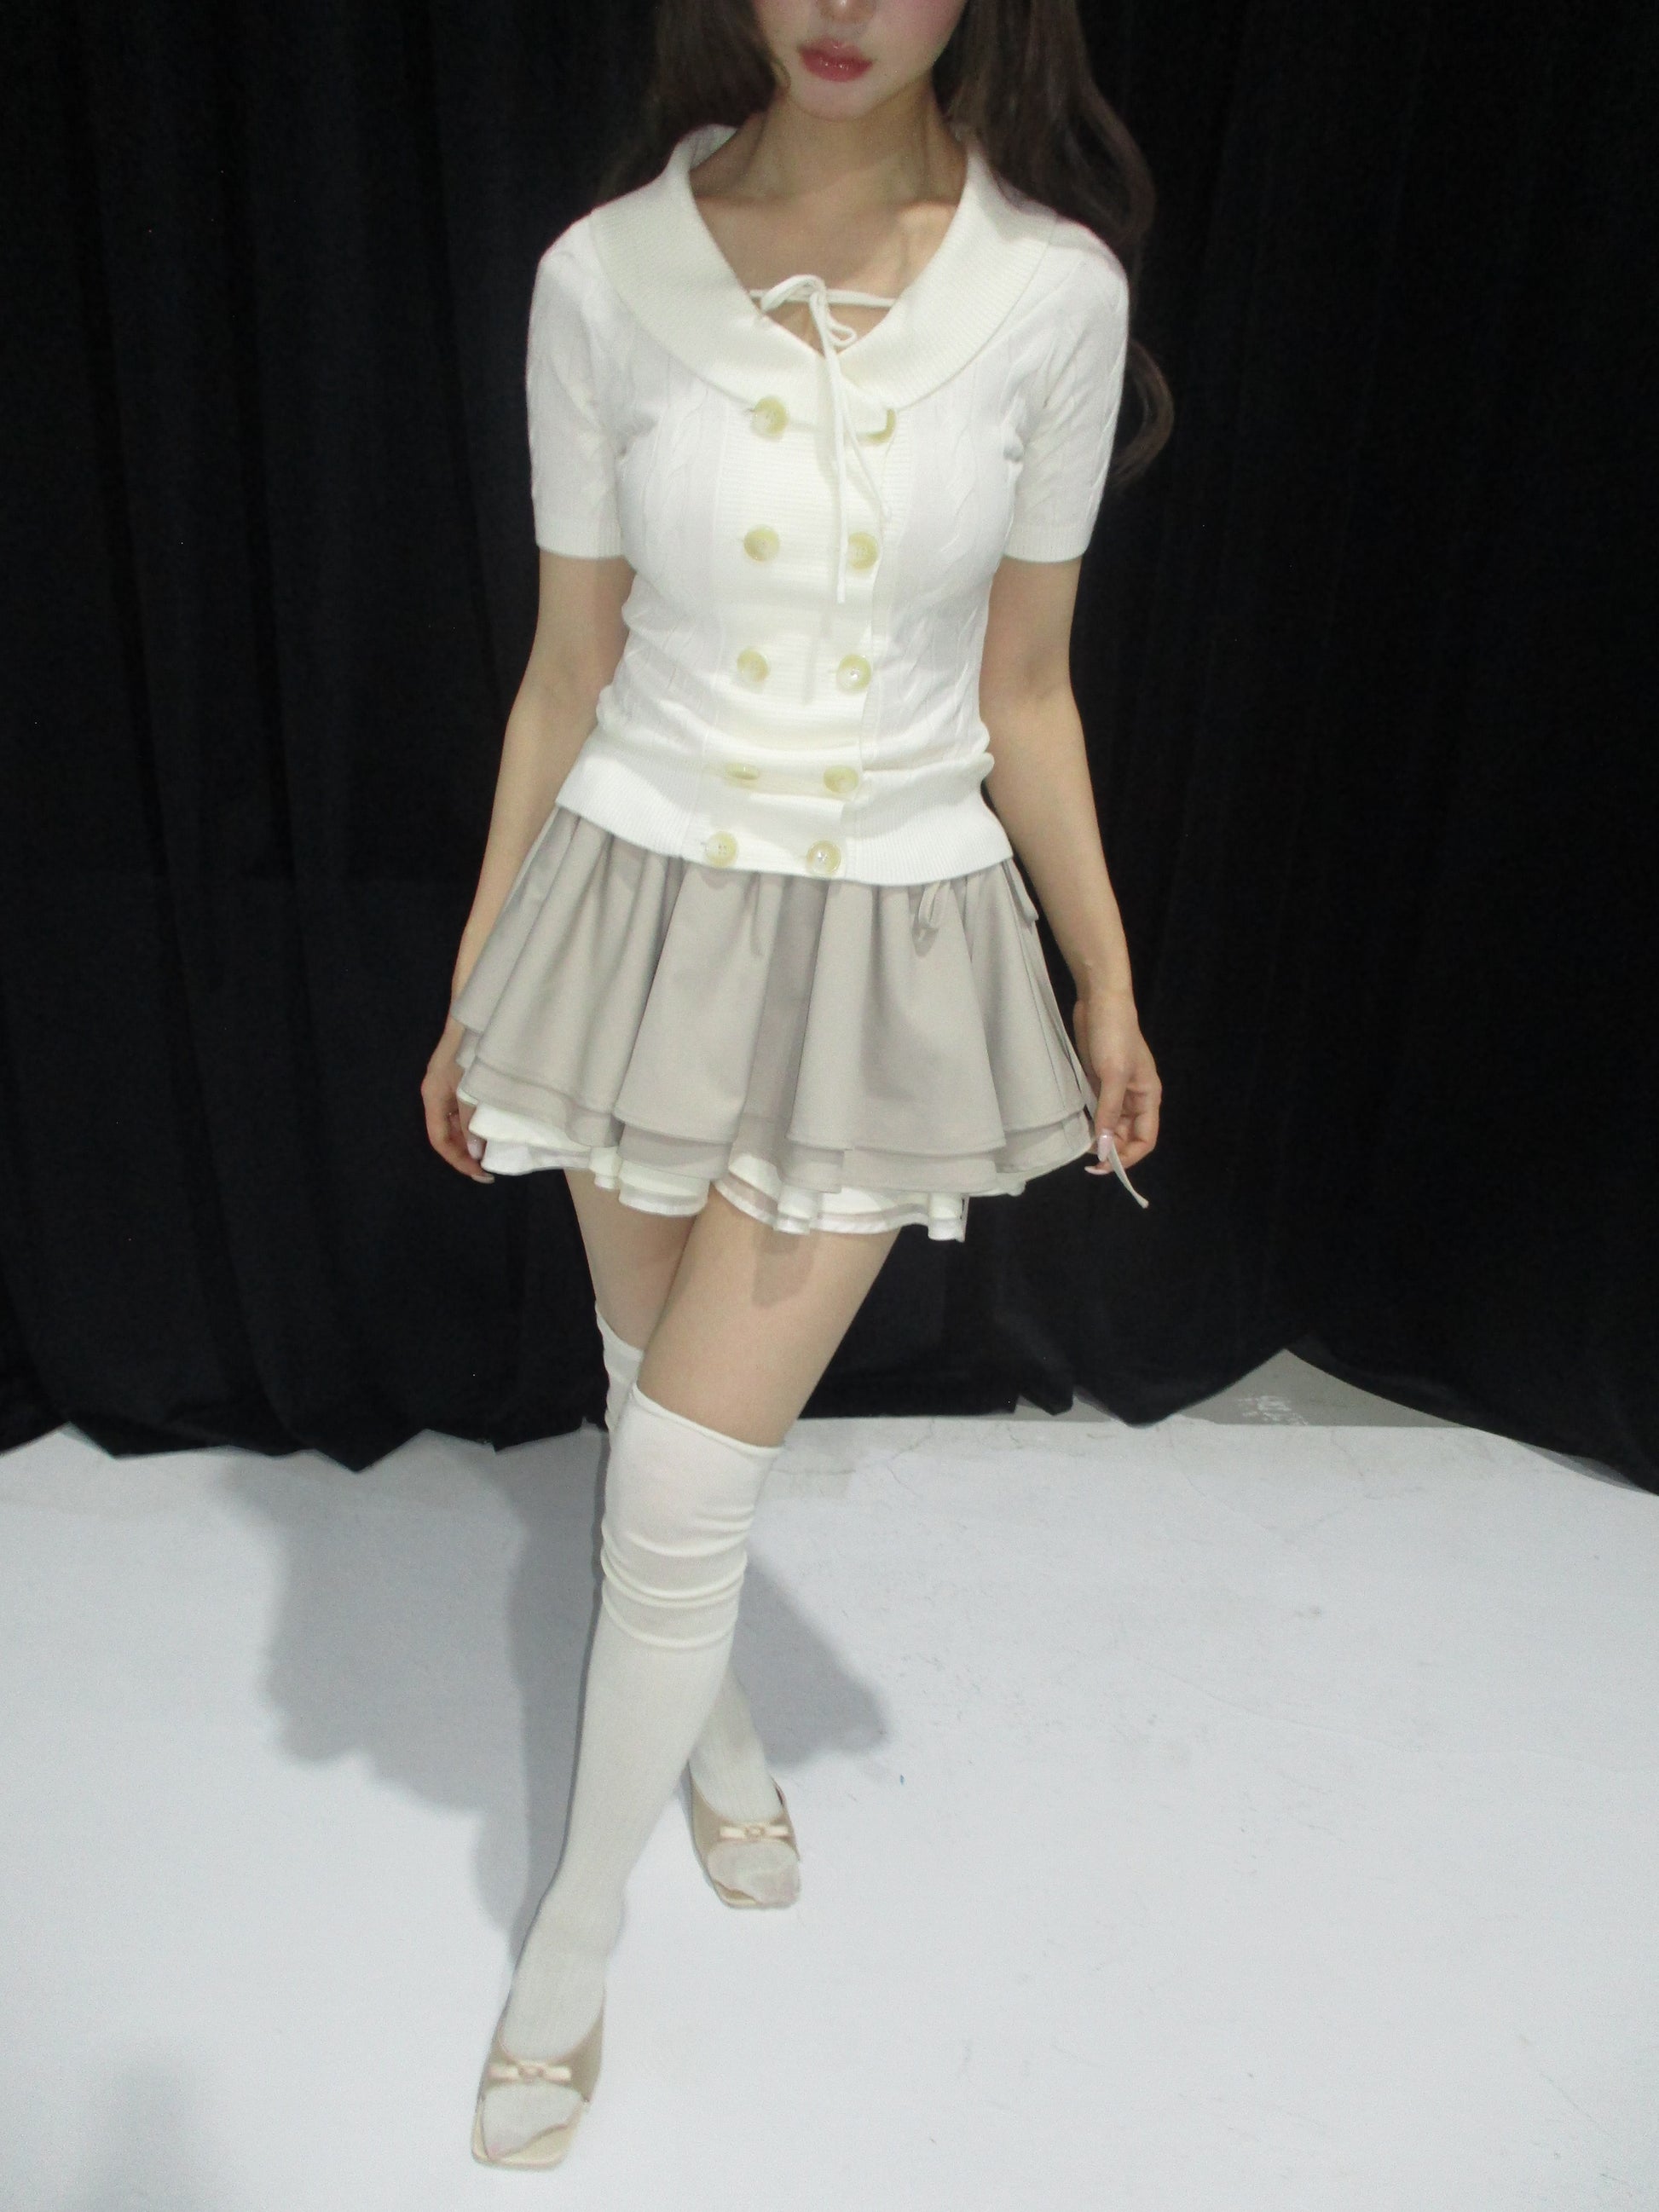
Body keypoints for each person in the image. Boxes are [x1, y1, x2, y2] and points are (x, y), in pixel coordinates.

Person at [421, 0, 1168, 2170]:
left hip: (885, 935)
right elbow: (567, 666)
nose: (840, 3)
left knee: (676, 1479)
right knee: (640, 1378)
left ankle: (568, 1936)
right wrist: (475, 978)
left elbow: (1026, 689)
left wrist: (1106, 978)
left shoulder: (1049, 295)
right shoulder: (602, 275)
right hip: (628, 906)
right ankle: (717, 1719)